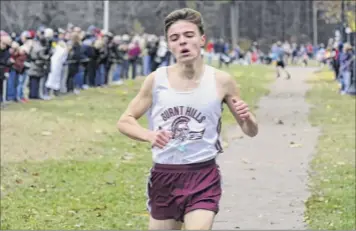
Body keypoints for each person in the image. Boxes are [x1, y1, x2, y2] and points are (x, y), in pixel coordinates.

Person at [117, 8, 258, 230]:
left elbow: (250, 130)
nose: (183, 42)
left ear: (202, 39)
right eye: (175, 38)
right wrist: (149, 135)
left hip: (203, 174)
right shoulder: (156, 80)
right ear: (169, 45)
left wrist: (247, 118)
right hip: (165, 175)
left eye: (189, 35)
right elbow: (124, 120)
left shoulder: (221, 81)